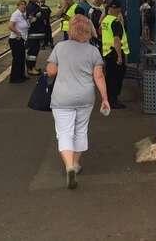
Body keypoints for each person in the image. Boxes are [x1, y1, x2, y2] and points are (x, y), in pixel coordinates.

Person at [46, 15, 110, 189]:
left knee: (64, 133)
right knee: (81, 130)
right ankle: (75, 164)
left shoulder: (60, 47)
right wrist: (105, 98)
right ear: (88, 30)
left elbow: (51, 71)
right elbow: (99, 76)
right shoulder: (93, 51)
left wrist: (61, 66)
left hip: (62, 98)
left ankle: (69, 166)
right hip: (85, 97)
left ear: (71, 30)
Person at [101, 0, 129, 109]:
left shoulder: (105, 20)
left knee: (109, 77)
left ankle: (109, 98)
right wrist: (119, 56)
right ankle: (114, 101)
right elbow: (116, 39)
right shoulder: (115, 22)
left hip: (107, 52)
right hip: (115, 53)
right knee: (116, 78)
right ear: (119, 9)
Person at [8, 0, 29, 83]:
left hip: (21, 40)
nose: (24, 6)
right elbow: (10, 26)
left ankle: (21, 75)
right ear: (18, 6)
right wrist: (18, 33)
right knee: (17, 59)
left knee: (22, 58)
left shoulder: (23, 14)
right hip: (16, 40)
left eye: (24, 4)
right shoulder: (16, 14)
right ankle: (14, 78)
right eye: (22, 4)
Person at [26, 0, 45, 75]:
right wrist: (37, 16)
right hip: (33, 33)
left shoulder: (35, 5)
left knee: (35, 51)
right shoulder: (30, 7)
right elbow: (31, 19)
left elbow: (42, 15)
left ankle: (33, 67)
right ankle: (31, 69)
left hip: (36, 33)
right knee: (32, 52)